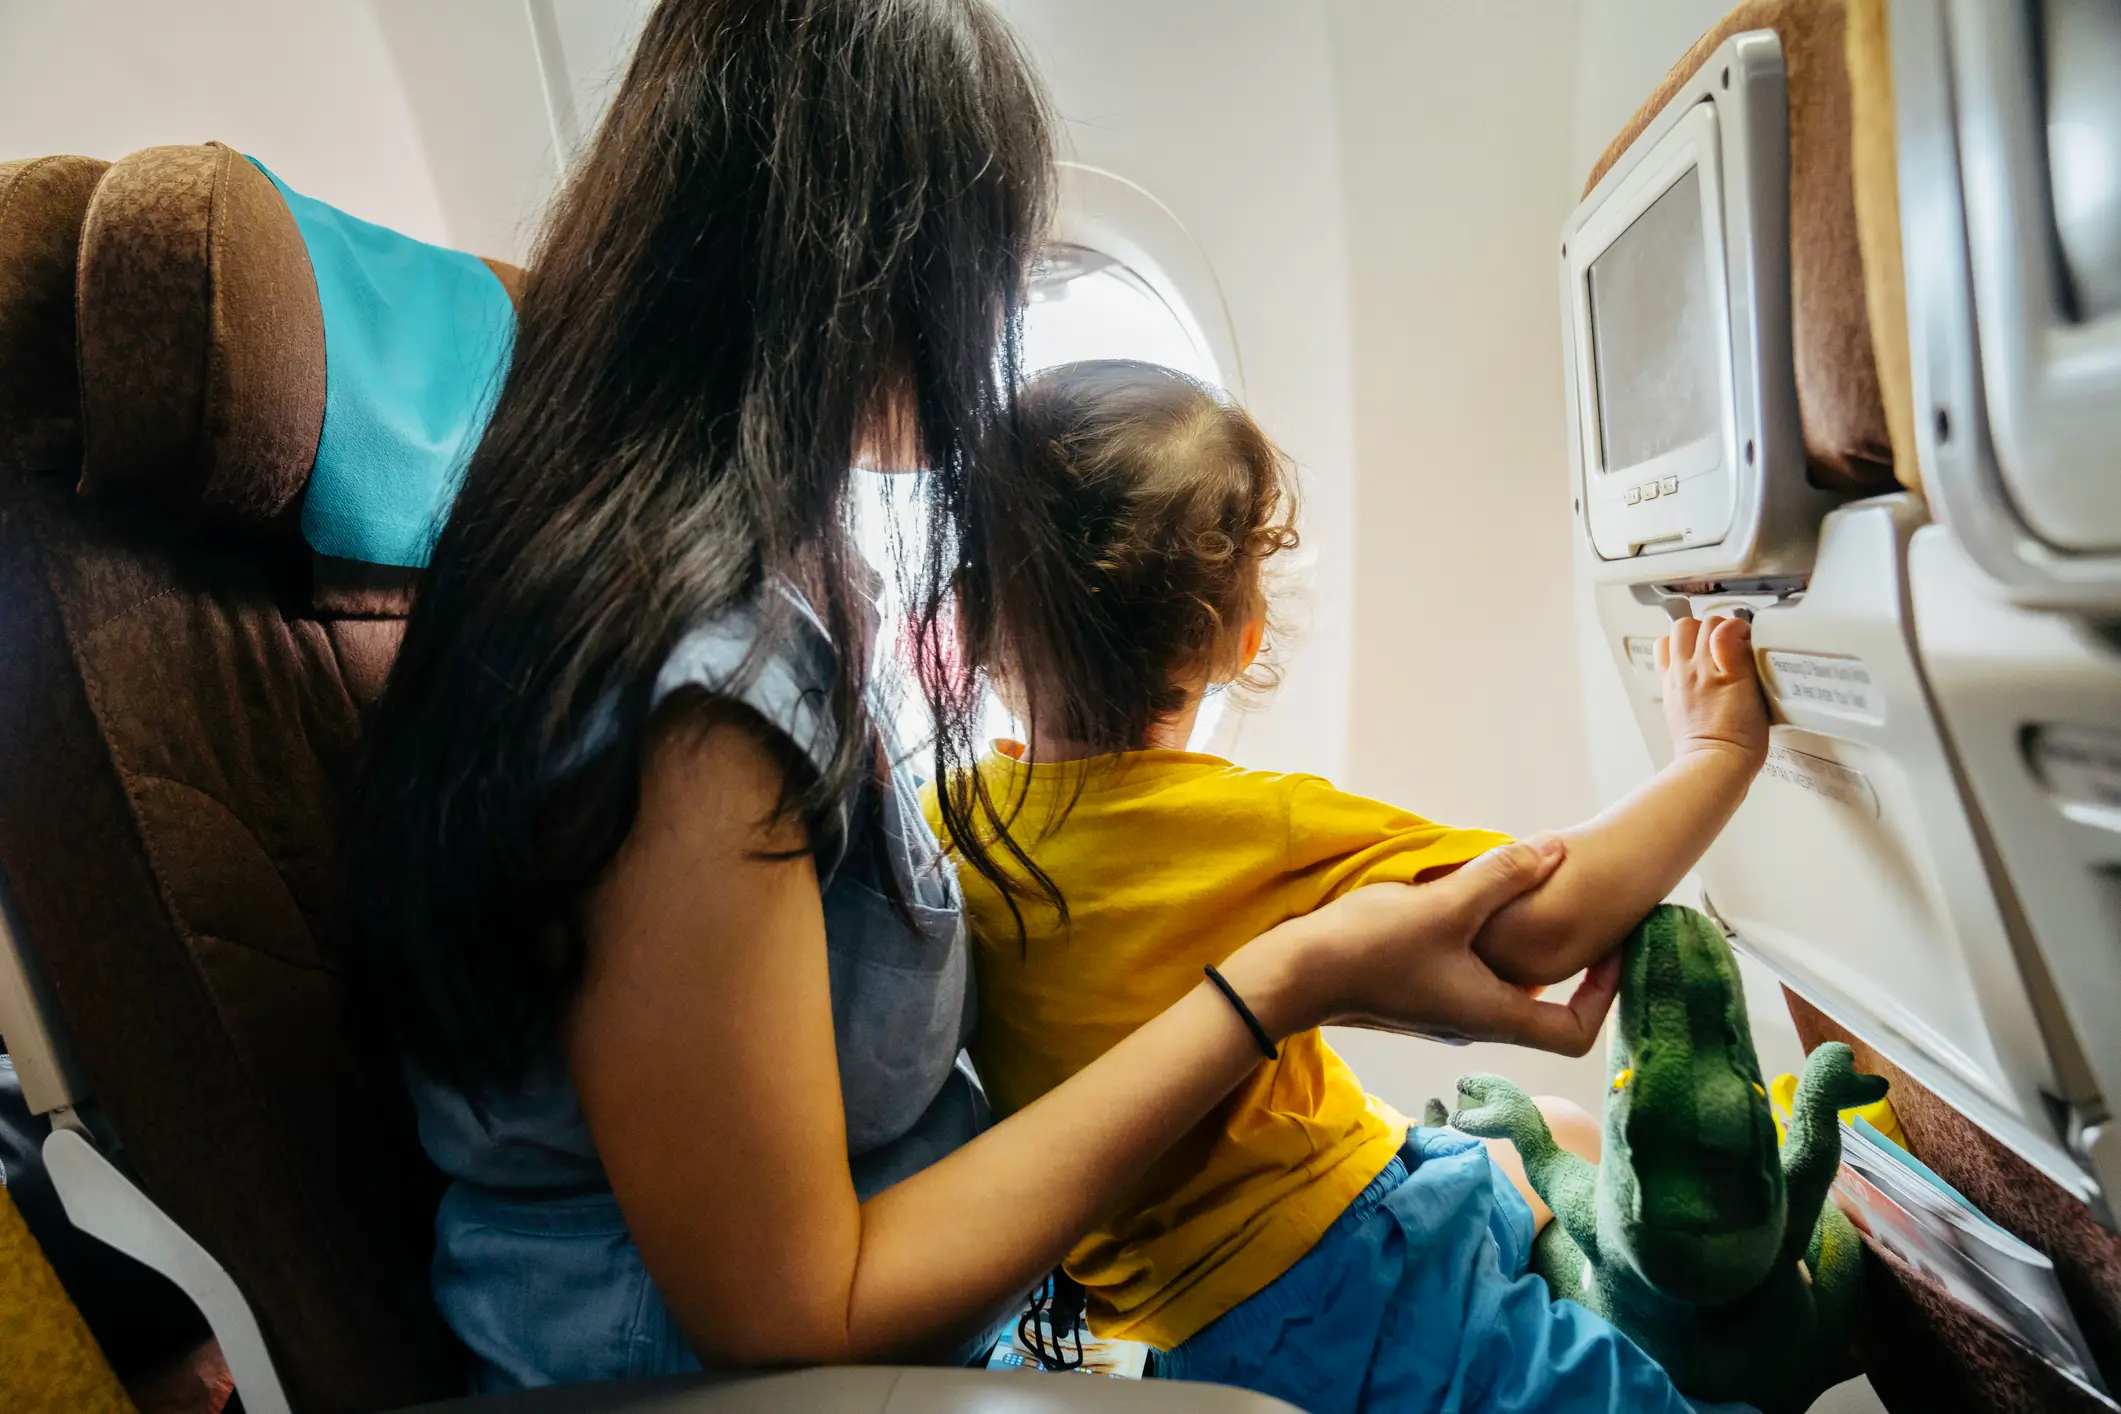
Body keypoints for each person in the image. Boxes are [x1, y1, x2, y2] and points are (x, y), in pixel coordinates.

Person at [348, 0, 1628, 1395]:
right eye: (986, 264)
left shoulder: (743, 564)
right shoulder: (694, 699)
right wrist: (1291, 974)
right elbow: (795, 1313)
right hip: (745, 1384)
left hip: (927, 1324)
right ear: (881, 267)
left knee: (1526, 1152)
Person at [923, 360, 1772, 1412]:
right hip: (1336, 1279)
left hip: (1164, 1321)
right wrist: (1713, 753)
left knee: (1557, 1127)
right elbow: (1542, 925)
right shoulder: (1246, 825)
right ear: (1235, 637)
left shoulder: (948, 827)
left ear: (969, 619)